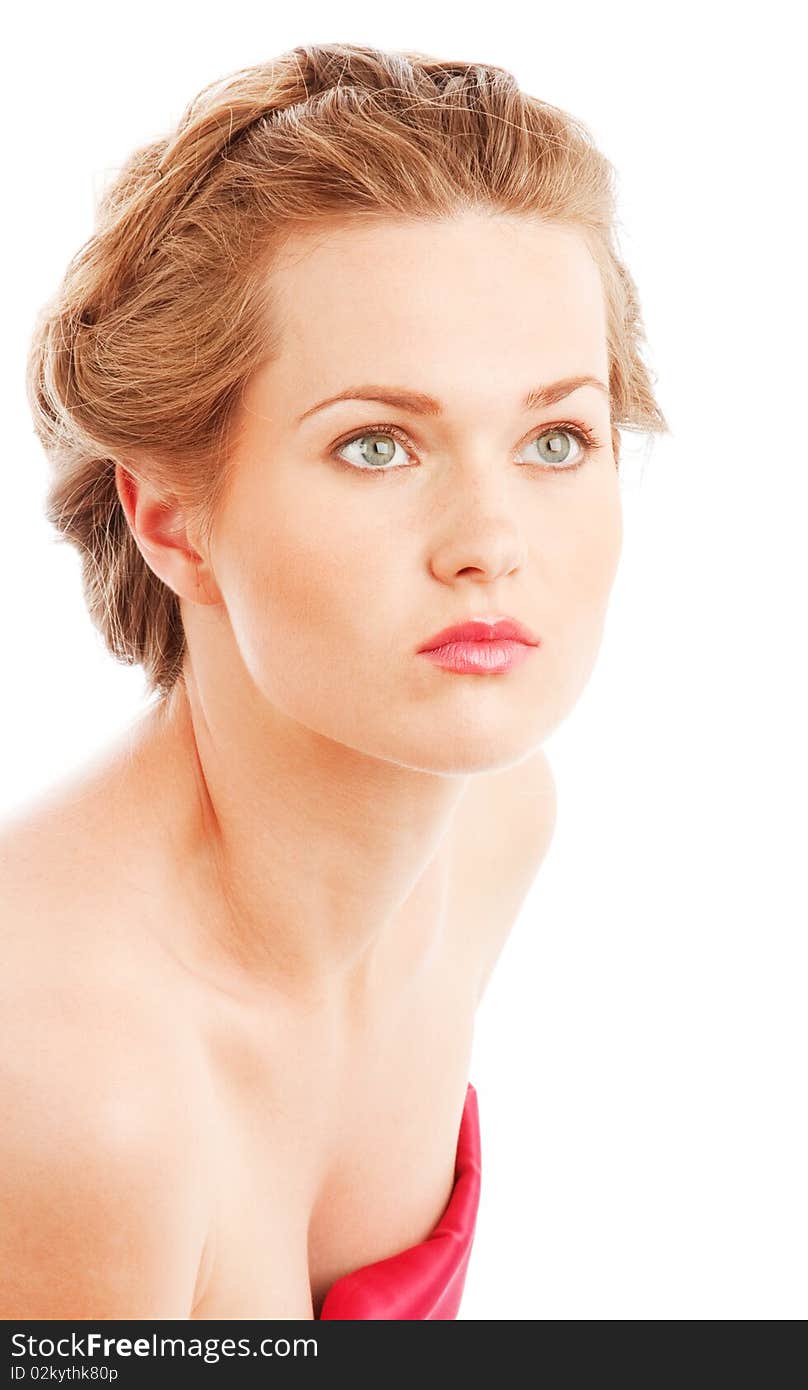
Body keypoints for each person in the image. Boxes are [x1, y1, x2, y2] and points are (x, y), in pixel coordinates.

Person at [1, 41, 669, 1320]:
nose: (489, 539)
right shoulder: (77, 1101)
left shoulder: (492, 823)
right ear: (173, 519)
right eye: (377, 444)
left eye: (554, 437)